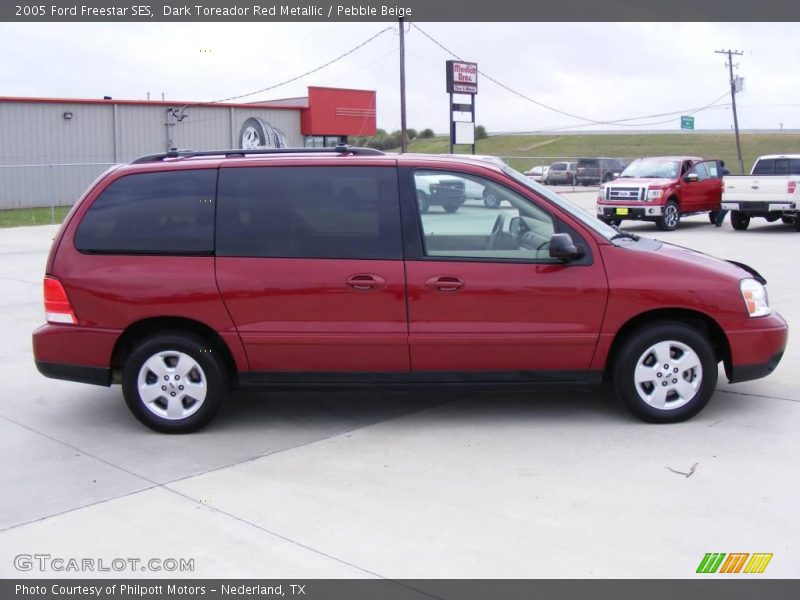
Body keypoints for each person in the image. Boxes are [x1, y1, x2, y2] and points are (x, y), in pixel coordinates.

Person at [714, 160, 732, 227]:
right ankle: (718, 220)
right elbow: (728, 180)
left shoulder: (714, 171)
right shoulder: (726, 171)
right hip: (724, 191)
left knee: (716, 205)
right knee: (725, 207)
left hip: (714, 189)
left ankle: (716, 219)